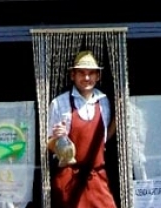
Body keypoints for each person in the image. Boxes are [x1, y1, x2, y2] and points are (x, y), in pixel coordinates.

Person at [47, 50, 117, 208]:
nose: (86, 78)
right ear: (73, 75)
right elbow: (49, 144)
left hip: (97, 178)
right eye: (81, 73)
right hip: (69, 179)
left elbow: (104, 138)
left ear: (98, 76)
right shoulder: (59, 103)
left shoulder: (104, 102)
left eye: (91, 73)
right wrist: (57, 139)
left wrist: (119, 119)